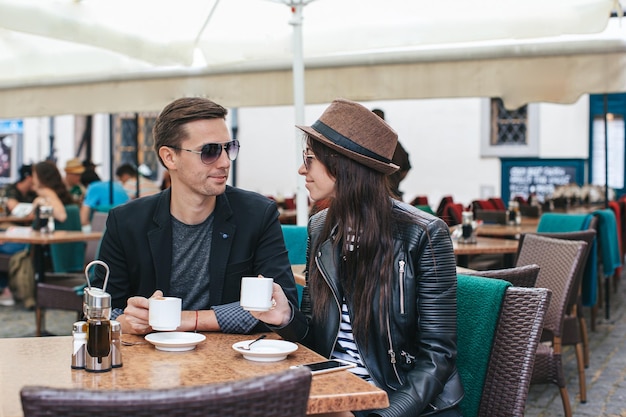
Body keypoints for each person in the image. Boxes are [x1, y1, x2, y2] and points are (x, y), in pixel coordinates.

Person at [253, 99, 463, 417]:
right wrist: (285, 317)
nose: (301, 170)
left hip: (401, 404)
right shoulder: (320, 226)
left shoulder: (424, 233)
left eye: (309, 160)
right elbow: (316, 338)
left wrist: (381, 414)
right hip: (336, 393)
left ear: (342, 166)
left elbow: (437, 357)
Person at [93, 97, 299, 337]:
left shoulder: (256, 214)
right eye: (209, 151)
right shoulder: (127, 222)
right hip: (152, 363)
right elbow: (100, 310)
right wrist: (125, 322)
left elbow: (281, 304)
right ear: (170, 157)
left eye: (228, 148)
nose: (224, 162)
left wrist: (185, 319)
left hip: (234, 359)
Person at [372, 108, 412, 201]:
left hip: (376, 198)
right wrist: (394, 182)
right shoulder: (395, 143)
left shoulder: (363, 143)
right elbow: (406, 168)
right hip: (393, 196)